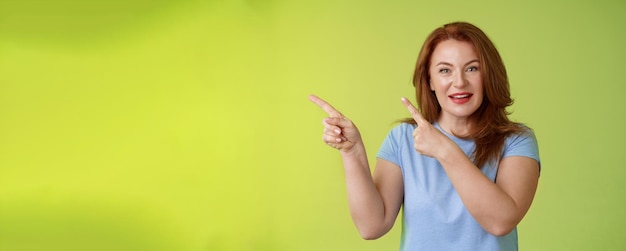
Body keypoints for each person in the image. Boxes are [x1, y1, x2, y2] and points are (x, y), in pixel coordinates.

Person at [308, 21, 540, 251]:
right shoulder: (402, 139)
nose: (459, 82)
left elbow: (500, 221)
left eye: (472, 68)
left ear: (488, 75)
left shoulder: (517, 141)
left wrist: (445, 150)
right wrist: (352, 151)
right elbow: (371, 226)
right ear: (430, 80)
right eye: (444, 70)